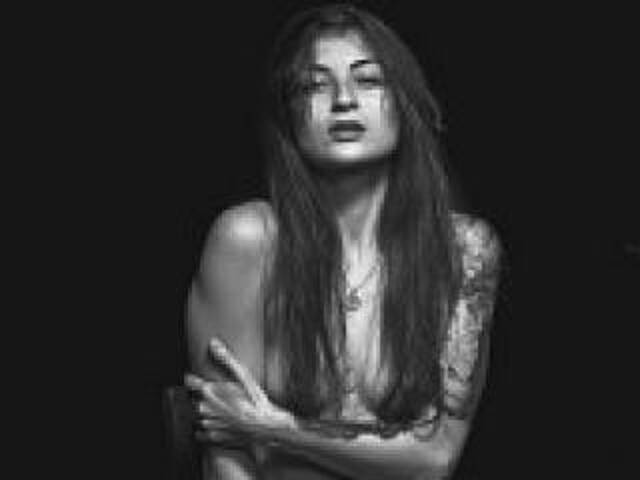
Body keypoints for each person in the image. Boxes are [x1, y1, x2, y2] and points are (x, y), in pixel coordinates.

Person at [184, 3, 501, 479]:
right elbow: (226, 456)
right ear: (289, 114)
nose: (344, 100)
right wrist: (249, 431)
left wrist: (273, 427)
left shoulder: (465, 251)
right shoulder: (248, 240)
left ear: (405, 103)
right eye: (314, 85)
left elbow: (435, 460)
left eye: (369, 80)